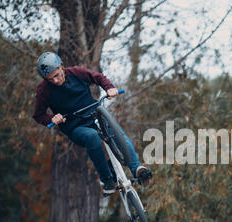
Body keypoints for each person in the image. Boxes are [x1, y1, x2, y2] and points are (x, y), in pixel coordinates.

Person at [33, 52, 151, 195]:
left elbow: (99, 77)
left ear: (61, 67)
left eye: (57, 75)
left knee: (117, 134)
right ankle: (107, 179)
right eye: (50, 79)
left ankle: (137, 169)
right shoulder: (43, 90)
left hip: (96, 114)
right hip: (75, 127)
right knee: (92, 137)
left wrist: (109, 88)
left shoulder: (76, 72)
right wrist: (51, 119)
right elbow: (38, 115)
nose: (56, 81)